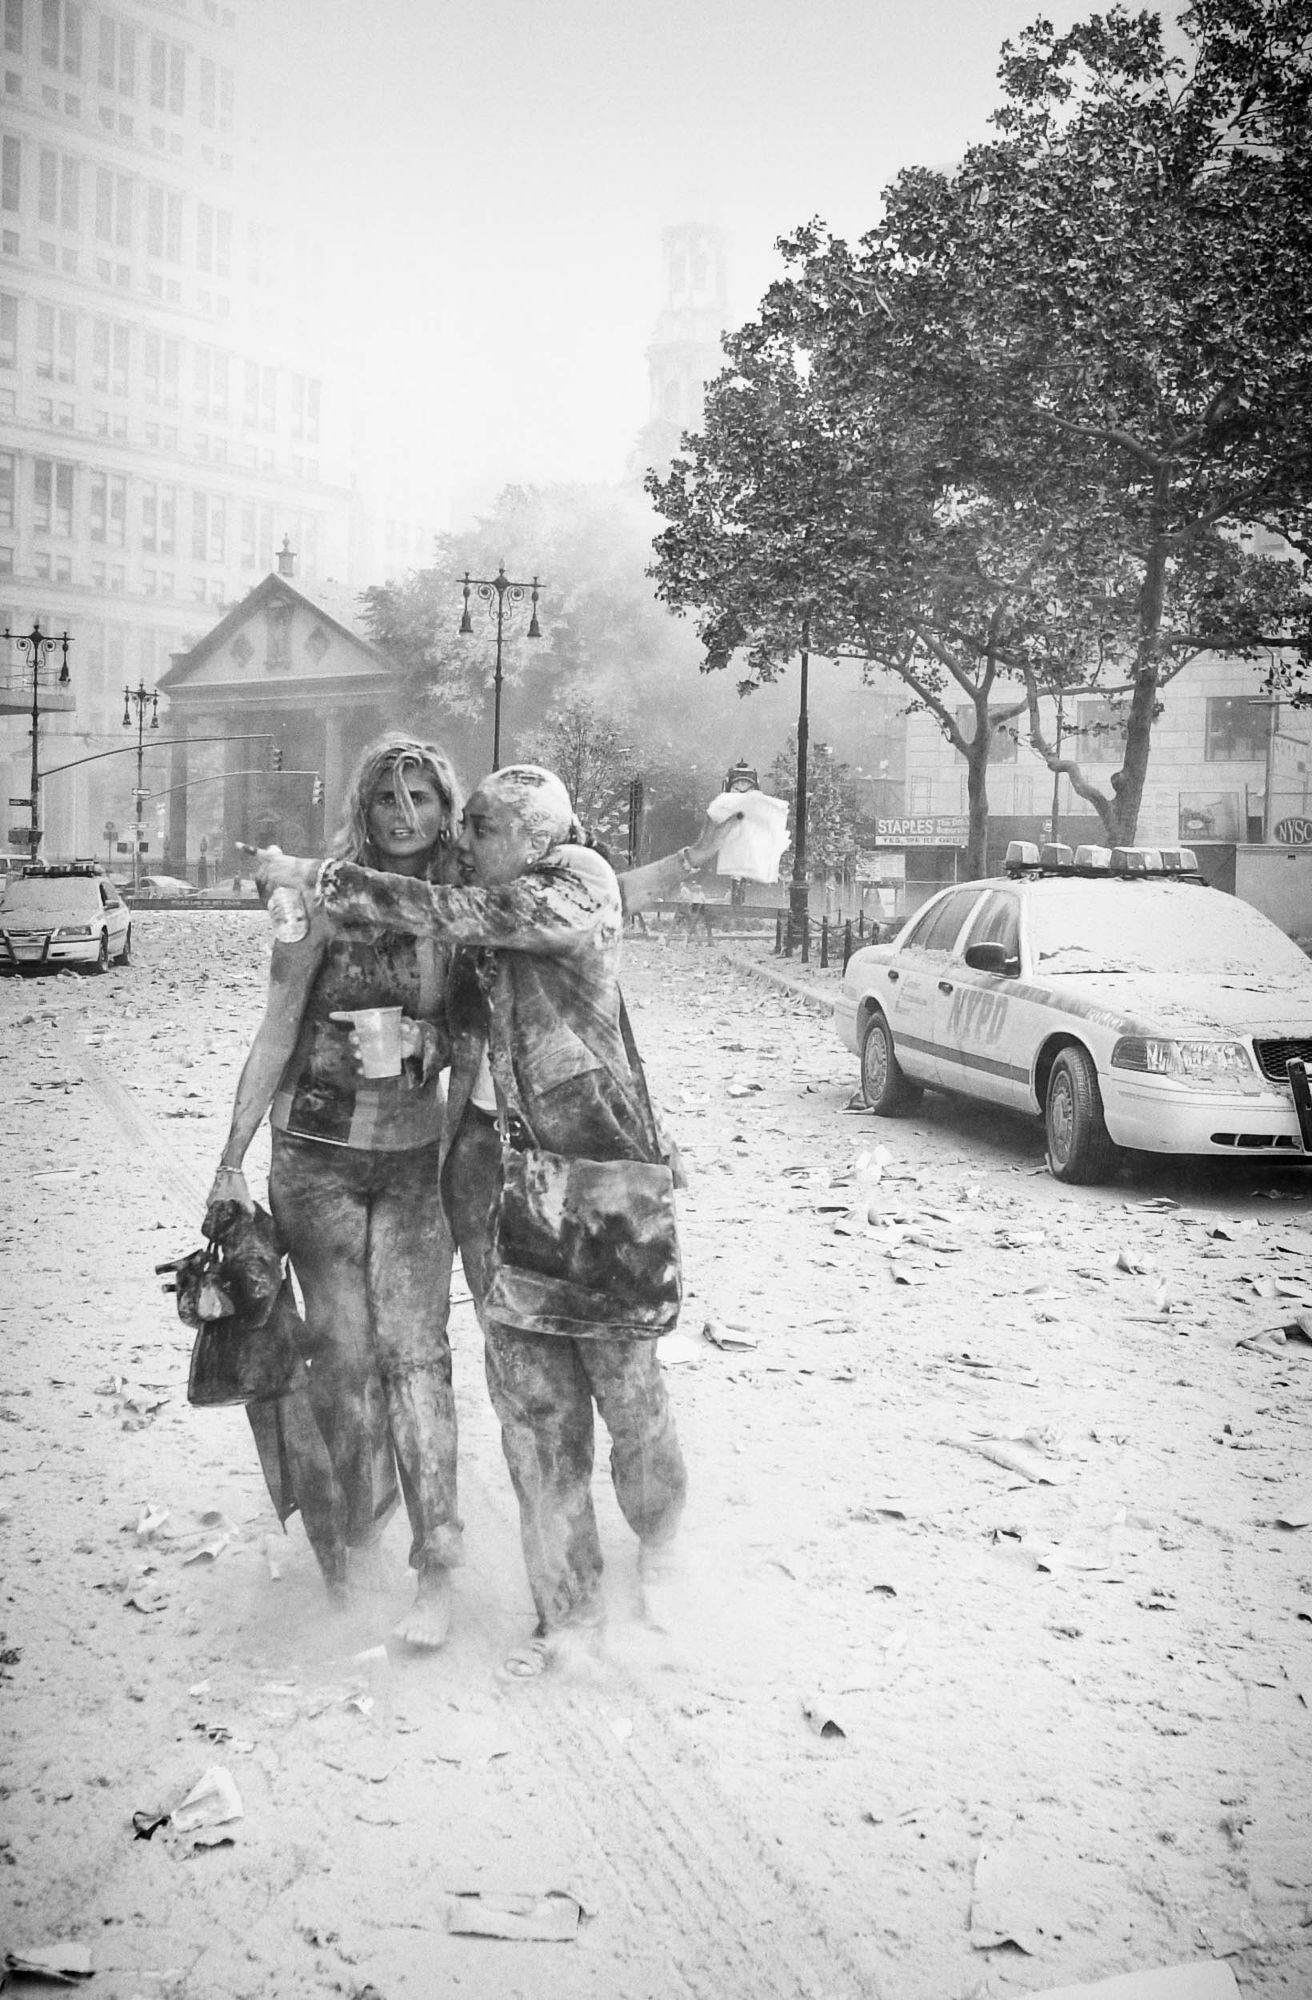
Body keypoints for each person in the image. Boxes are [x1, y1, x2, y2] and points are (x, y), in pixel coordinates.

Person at [257, 766, 702, 1678]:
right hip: (490, 1177)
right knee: (534, 1408)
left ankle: (658, 1538)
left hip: (593, 1182)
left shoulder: (574, 881)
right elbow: (467, 1025)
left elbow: (461, 913)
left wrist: (320, 875)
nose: (460, 839)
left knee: (627, 1387)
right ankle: (570, 1614)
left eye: (481, 827)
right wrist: (424, 1044)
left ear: (535, 839)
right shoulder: (484, 917)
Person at [206, 732, 464, 1649]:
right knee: (344, 1354)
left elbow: (483, 1028)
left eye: (422, 797)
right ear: (364, 805)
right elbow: (277, 1027)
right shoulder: (319, 900)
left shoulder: (456, 908)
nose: (405, 815)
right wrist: (231, 1156)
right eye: (388, 797)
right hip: (315, 1161)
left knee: (418, 1354)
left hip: (415, 1163)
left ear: (446, 808)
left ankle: (438, 1567)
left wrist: (432, 1042)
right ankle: (354, 1528)